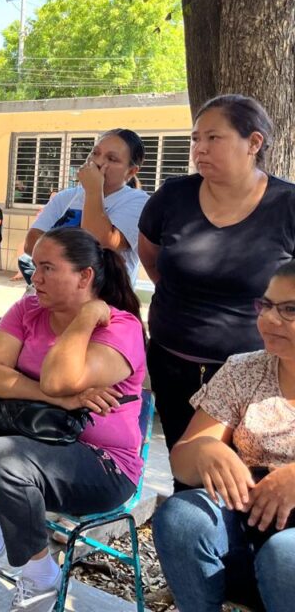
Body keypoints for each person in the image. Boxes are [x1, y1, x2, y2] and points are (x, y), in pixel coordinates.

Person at [0, 227, 146, 612]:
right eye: (33, 267)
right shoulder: (28, 308)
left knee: (1, 458)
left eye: (47, 268)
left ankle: (40, 572)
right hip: (20, 427)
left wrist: (85, 318)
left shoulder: (119, 327)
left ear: (85, 276)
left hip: (100, 462)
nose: (35, 278)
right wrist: (62, 397)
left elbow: (59, 376)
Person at [138, 94, 295, 454]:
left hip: (256, 378)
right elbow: (151, 256)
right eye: (196, 138)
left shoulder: (287, 205)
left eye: (213, 137)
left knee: (247, 470)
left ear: (253, 142)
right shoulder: (173, 196)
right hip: (171, 362)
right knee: (185, 461)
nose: (200, 149)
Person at [152, 261, 295, 612]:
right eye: (265, 305)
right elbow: (183, 462)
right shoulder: (244, 369)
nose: (268, 319)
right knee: (181, 517)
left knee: (285, 554)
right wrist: (203, 451)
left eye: (289, 309)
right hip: (244, 529)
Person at [19, 129, 148, 284]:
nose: (98, 162)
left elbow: (102, 242)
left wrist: (93, 190)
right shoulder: (65, 197)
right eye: (95, 153)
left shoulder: (137, 201)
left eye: (112, 159)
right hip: (50, 295)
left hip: (103, 301)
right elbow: (31, 242)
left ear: (131, 171)